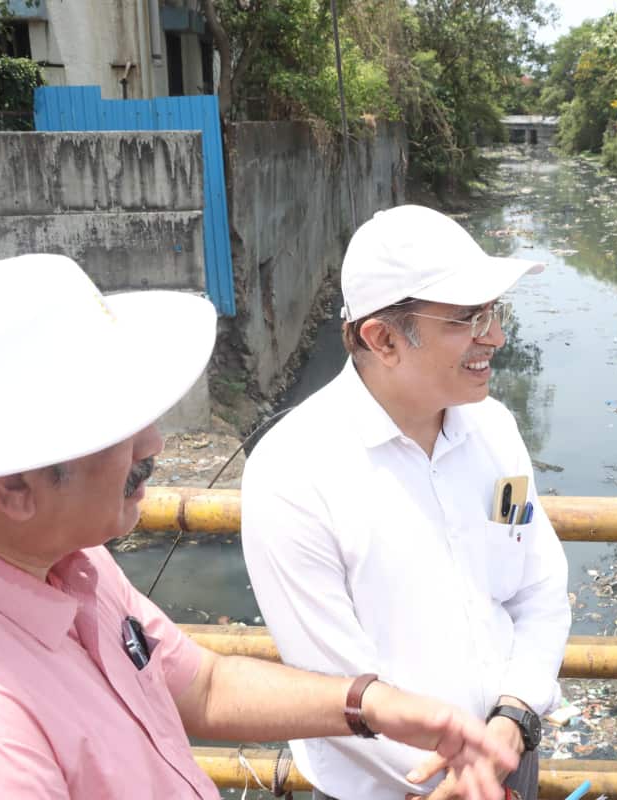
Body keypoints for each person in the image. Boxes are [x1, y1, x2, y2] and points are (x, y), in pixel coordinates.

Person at [0, 254, 519, 799]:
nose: (154, 444)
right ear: (12, 488)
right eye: (120, 428)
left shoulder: (75, 565)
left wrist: (372, 705)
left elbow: (204, 687)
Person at [242, 205, 572, 800]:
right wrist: (458, 779)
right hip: (383, 788)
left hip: (508, 756)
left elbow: (538, 589)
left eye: (492, 313)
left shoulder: (494, 429)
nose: (493, 337)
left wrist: (515, 717)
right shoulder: (294, 470)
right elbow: (334, 682)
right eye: (467, 319)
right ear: (383, 337)